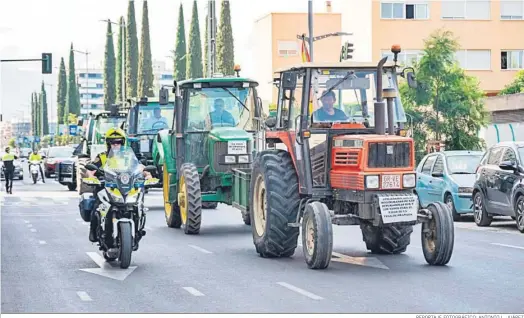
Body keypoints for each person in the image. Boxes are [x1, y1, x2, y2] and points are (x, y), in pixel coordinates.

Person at [87, 128, 152, 242]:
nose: (115, 145)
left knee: (139, 205)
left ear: (123, 143)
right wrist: (92, 178)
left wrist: (148, 175)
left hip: (125, 186)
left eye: (118, 142)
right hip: (106, 186)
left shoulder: (129, 156)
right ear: (108, 144)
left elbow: (140, 167)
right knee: (96, 207)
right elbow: (91, 170)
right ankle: (93, 231)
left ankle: (138, 230)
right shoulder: (102, 156)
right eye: (112, 142)